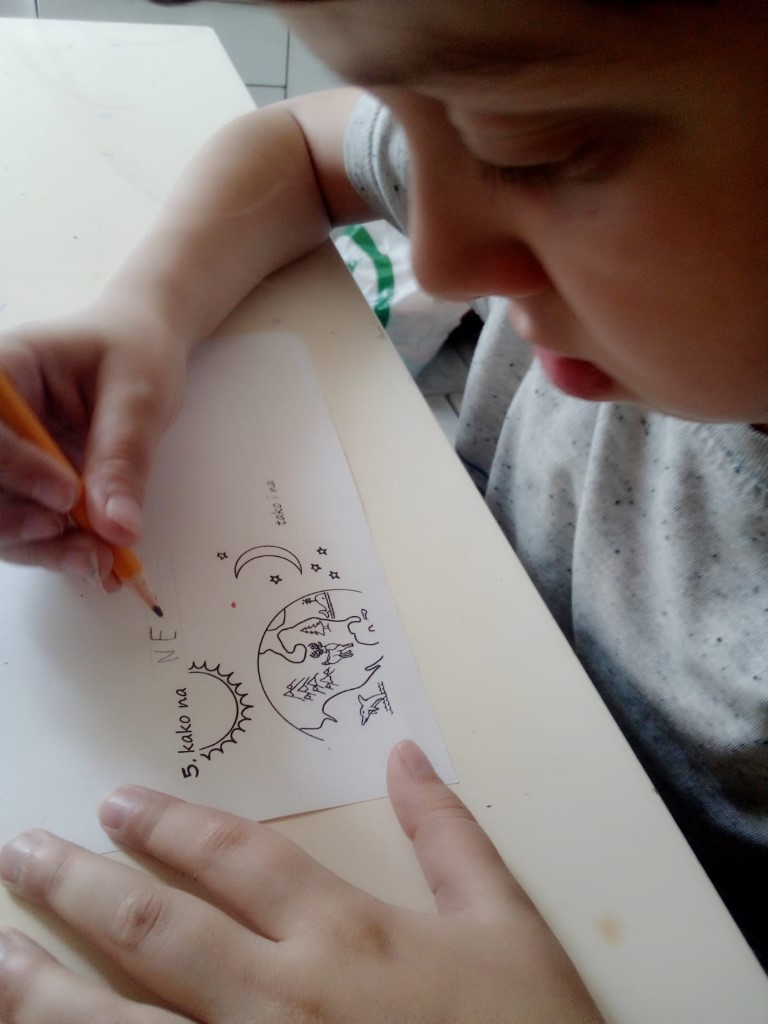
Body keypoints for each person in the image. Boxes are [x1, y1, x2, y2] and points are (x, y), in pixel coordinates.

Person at [0, 0, 766, 1019]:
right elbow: (302, 150)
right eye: (412, 118)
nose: (435, 259)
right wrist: (149, 310)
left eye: (529, 151)